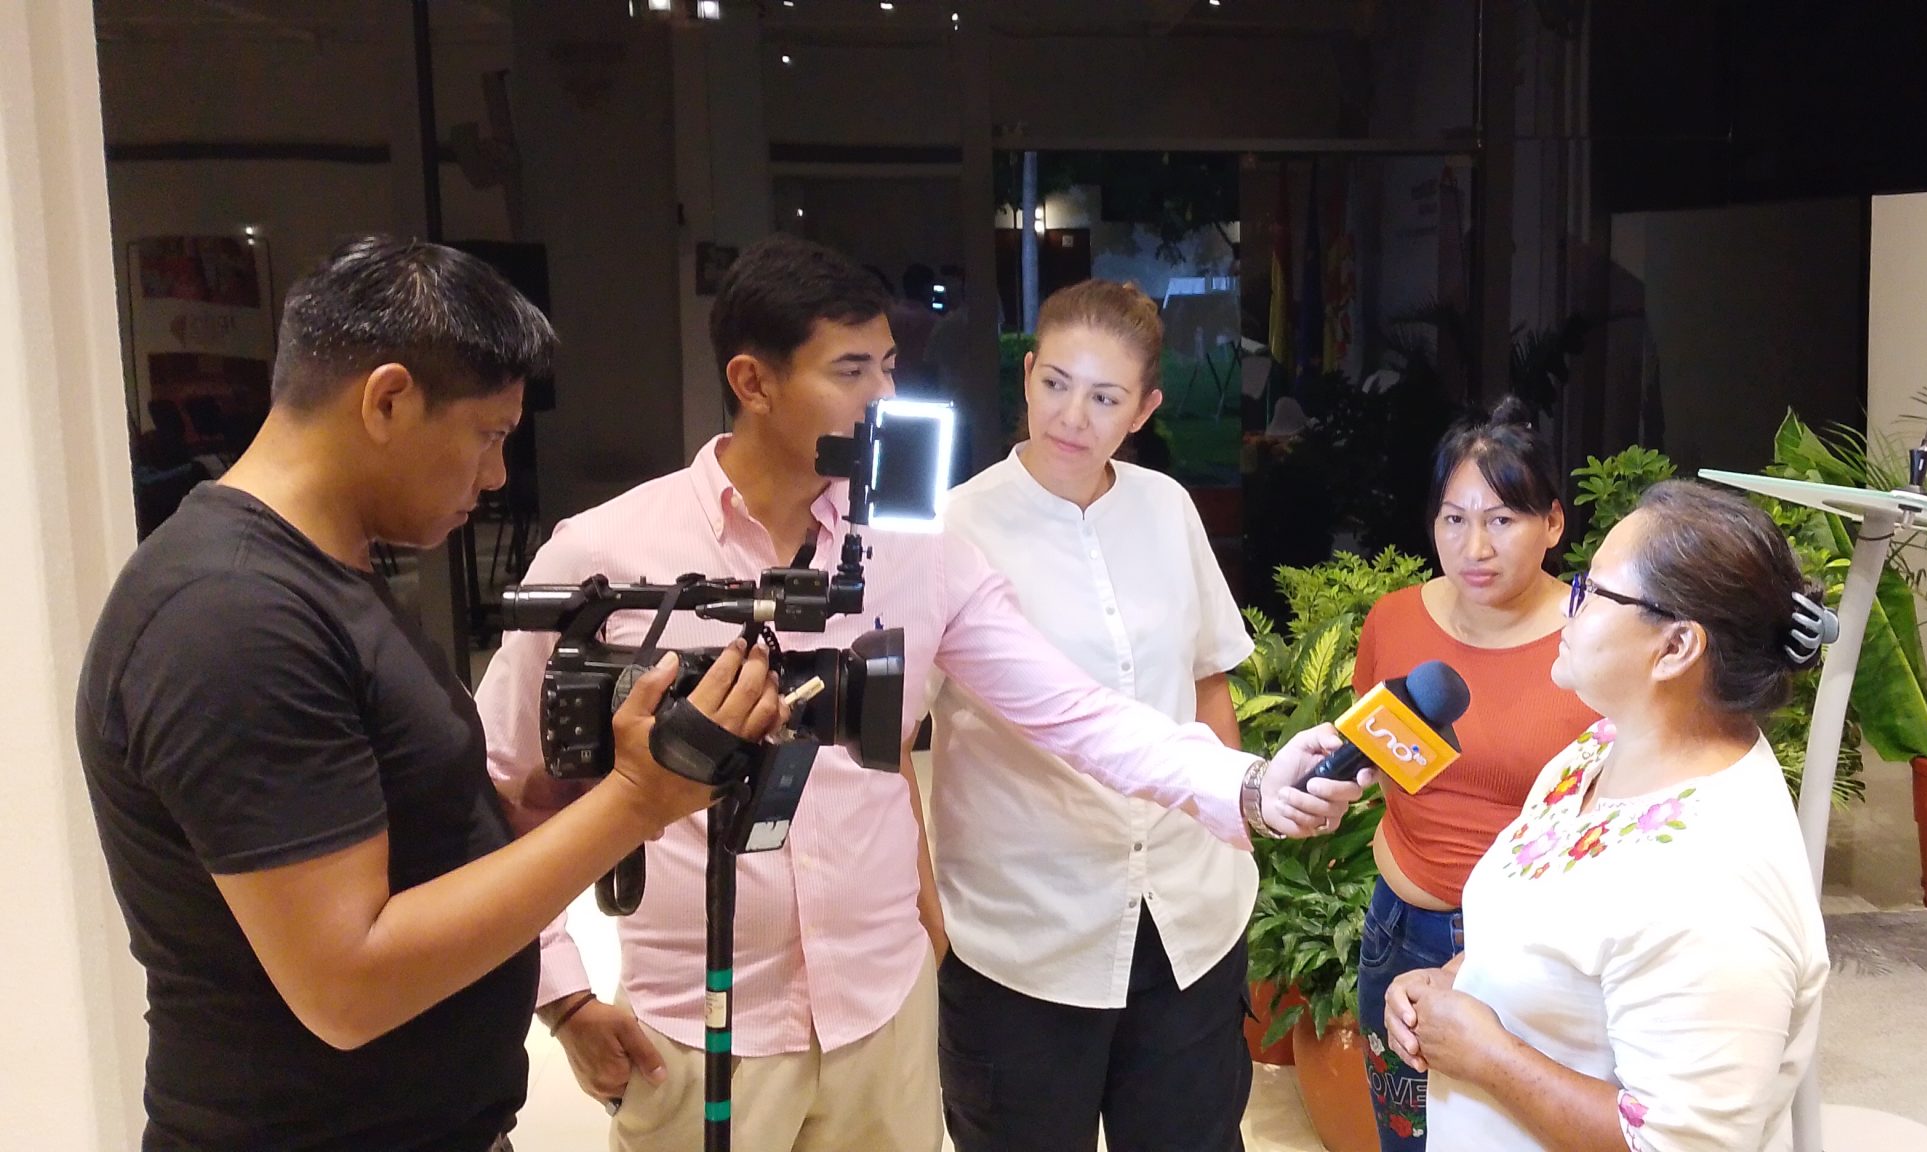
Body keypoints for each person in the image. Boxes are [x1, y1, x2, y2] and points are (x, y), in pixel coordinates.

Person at [478, 236, 1361, 1152]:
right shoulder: (610, 554)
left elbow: (1074, 710)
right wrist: (562, 993)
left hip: (881, 1021)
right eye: (851, 370)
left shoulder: (913, 549)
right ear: (753, 381)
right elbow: (503, 788)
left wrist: (1246, 784)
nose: (885, 398)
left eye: (890, 366)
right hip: (703, 1021)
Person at [76, 236, 781, 1152]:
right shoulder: (233, 616)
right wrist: (637, 802)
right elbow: (349, 986)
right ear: (388, 400)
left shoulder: (328, 574)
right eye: (489, 436)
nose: (495, 477)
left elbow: (410, 840)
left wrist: (540, 827)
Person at [1385, 480, 1832, 1151]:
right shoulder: (1604, 745)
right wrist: (1461, 983)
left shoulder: (1714, 884)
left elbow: (1681, 1144)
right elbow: (1567, 943)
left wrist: (1488, 1056)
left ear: (1676, 647)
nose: (1569, 607)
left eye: (1593, 592)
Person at [932, 280, 1256, 1151]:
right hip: (1027, 934)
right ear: (1027, 373)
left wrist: (1235, 838)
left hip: (1187, 918)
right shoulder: (957, 526)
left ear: (1144, 409)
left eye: (1106, 397)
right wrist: (929, 920)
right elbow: (887, 743)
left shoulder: (1167, 508)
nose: (1072, 417)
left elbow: (1207, 680)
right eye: (1055, 383)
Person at [1349, 399, 1601, 1149]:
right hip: (1399, 929)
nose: (1474, 547)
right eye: (1453, 519)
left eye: (1502, 520)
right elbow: (1384, 759)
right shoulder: (1393, 622)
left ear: (1552, 523)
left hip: (1537, 953)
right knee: (1408, 1137)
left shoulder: (1595, 645)